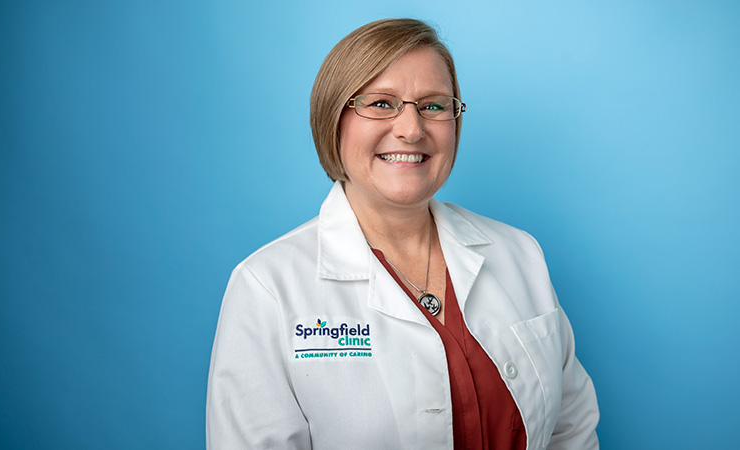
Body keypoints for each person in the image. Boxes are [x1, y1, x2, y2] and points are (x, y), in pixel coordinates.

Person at [206, 18, 599, 450]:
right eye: (381, 103)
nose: (412, 129)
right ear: (333, 118)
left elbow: (572, 432)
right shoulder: (268, 288)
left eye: (433, 105)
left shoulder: (519, 254)